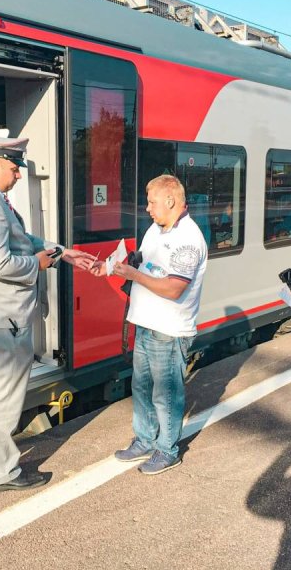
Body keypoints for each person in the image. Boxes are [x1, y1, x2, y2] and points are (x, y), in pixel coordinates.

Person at [0, 135, 95, 492]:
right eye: (15, 168)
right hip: (4, 318)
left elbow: (20, 237)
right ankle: (3, 473)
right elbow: (1, 262)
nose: (18, 175)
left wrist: (61, 252)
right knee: (3, 399)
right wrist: (38, 263)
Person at [92, 174, 207, 475]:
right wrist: (114, 266)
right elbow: (144, 263)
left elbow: (173, 288)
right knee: (141, 387)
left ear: (171, 201)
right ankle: (144, 439)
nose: (147, 208)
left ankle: (167, 450)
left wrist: (133, 275)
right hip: (145, 324)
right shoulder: (156, 230)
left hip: (169, 331)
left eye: (152, 202)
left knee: (166, 394)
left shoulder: (189, 239)